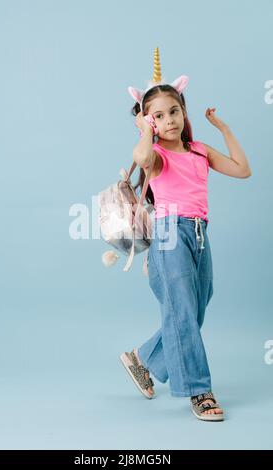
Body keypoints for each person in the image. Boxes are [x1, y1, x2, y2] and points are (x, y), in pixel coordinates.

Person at [120, 47, 252, 422]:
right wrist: (146, 131)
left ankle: (142, 358)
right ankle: (199, 390)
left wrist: (222, 128)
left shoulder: (198, 151)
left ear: (183, 112)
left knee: (193, 309)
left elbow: (243, 170)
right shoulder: (158, 155)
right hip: (169, 236)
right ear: (150, 122)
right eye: (158, 116)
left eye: (173, 111)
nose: (169, 120)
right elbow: (143, 159)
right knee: (182, 312)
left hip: (198, 235)